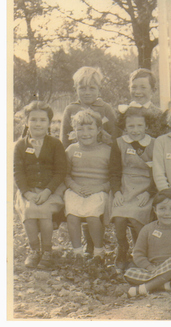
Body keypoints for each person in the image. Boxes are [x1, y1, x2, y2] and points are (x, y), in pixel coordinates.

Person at [14, 101, 67, 269]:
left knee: (43, 211)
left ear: (49, 123)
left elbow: (60, 172)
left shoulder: (55, 144)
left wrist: (47, 191)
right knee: (29, 211)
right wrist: (26, 193)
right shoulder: (20, 146)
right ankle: (34, 250)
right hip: (28, 191)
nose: (38, 124)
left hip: (51, 190)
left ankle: (47, 252)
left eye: (42, 120)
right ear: (26, 122)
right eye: (34, 119)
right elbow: (18, 173)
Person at [110, 107, 157, 272]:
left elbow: (158, 172)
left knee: (137, 218)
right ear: (125, 127)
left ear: (146, 126)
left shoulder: (153, 143)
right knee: (120, 217)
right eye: (131, 126)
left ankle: (140, 252)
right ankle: (122, 249)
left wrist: (149, 192)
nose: (135, 130)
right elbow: (114, 171)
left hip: (147, 186)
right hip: (125, 185)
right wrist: (116, 192)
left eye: (139, 126)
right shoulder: (119, 143)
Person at [124, 189, 171, 297]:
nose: (167, 213)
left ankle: (145, 288)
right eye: (162, 209)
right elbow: (138, 254)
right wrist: (150, 267)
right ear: (155, 210)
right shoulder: (147, 229)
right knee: (129, 273)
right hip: (153, 270)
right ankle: (165, 286)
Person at [64, 110, 111, 264]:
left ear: (98, 130)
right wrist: (74, 186)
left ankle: (98, 251)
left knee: (92, 216)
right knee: (72, 216)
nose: (85, 133)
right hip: (76, 189)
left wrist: (100, 188)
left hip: (98, 191)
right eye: (80, 129)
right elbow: (65, 174)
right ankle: (77, 252)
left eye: (90, 129)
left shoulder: (107, 150)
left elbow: (114, 177)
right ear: (74, 131)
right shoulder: (71, 150)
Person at [60, 66, 117, 148]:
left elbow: (115, 136)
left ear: (99, 89)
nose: (87, 92)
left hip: (102, 156)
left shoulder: (106, 109)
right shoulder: (70, 110)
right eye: (82, 88)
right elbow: (64, 140)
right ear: (75, 89)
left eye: (92, 88)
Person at [117, 68, 166, 138]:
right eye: (133, 87)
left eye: (143, 87)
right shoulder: (124, 112)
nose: (137, 92)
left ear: (153, 90)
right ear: (129, 88)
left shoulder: (160, 115)